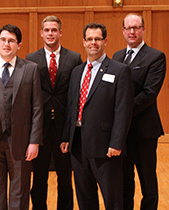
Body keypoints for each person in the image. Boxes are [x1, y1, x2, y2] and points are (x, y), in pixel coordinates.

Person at [60, 23, 134, 210]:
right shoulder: (77, 71)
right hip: (78, 145)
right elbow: (71, 107)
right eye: (89, 39)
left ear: (105, 41)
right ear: (83, 42)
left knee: (113, 200)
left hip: (106, 147)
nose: (93, 43)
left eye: (97, 39)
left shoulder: (119, 70)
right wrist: (66, 137)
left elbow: (123, 110)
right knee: (85, 197)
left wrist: (116, 142)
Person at [0, 24, 43, 210]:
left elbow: (37, 108)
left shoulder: (30, 69)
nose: (6, 44)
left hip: (21, 140)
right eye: (3, 40)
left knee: (19, 192)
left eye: (11, 41)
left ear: (18, 45)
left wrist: (34, 141)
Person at [26, 15, 82, 210]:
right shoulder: (31, 59)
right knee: (39, 177)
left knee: (65, 176)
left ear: (60, 32)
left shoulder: (74, 58)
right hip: (40, 127)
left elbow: (76, 93)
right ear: (41, 33)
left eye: (54, 30)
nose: (50, 33)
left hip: (64, 126)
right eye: (47, 30)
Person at [112, 13, 166, 210]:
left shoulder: (156, 57)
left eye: (136, 28)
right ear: (123, 31)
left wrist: (120, 113)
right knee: (124, 180)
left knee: (147, 181)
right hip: (121, 133)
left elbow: (149, 94)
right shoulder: (117, 56)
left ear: (143, 29)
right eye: (128, 28)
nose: (132, 32)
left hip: (144, 131)